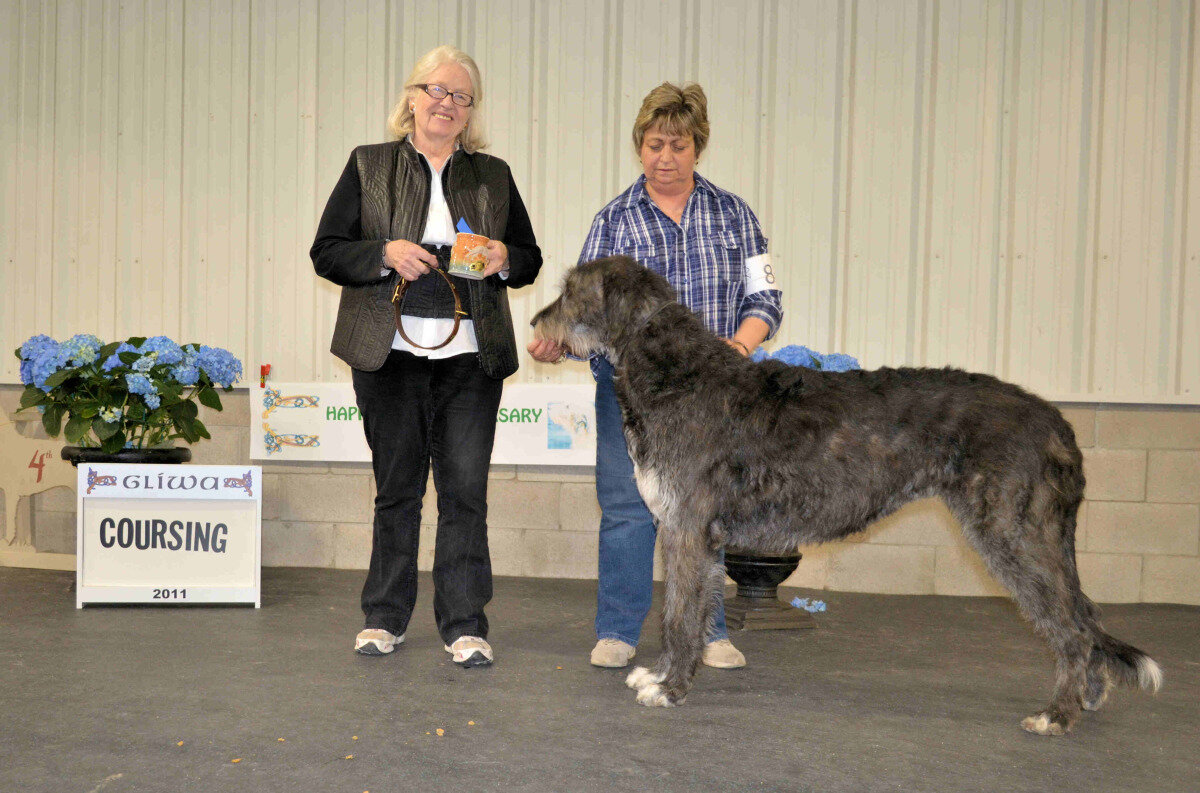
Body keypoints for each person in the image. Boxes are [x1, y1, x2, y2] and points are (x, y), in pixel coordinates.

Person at [529, 82, 783, 669]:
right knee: (624, 508)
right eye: (654, 144)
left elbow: (765, 295)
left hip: (716, 394)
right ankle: (618, 629)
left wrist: (741, 346)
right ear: (638, 147)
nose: (665, 156)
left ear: (698, 149)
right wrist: (557, 345)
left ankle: (711, 630)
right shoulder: (612, 221)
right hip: (630, 395)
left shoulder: (735, 214)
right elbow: (585, 317)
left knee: (704, 510)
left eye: (679, 144)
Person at [312, 45, 542, 667]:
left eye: (458, 96)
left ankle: (465, 625)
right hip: (387, 354)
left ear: (469, 113)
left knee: (465, 493)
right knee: (397, 489)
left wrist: (504, 258)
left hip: (472, 356)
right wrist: (384, 253)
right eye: (433, 90)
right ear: (411, 99)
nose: (444, 103)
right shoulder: (368, 165)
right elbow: (327, 250)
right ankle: (383, 618)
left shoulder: (493, 174)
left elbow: (528, 258)